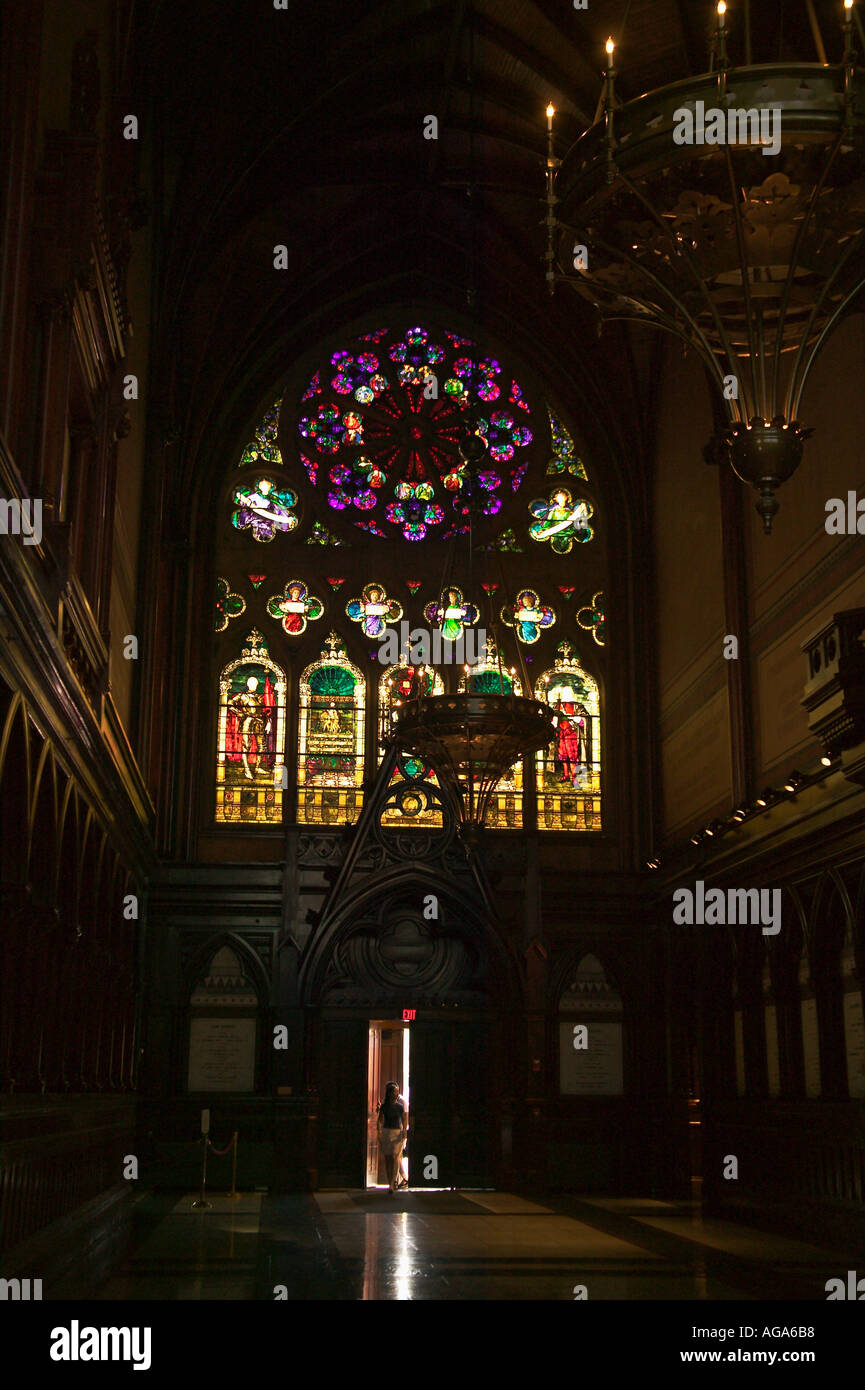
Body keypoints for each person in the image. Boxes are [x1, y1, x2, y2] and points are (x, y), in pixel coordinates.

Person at [376, 1081, 407, 1192]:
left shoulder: (400, 1106)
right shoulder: (384, 1106)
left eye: (397, 1091)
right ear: (390, 1093)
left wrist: (404, 1131)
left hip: (396, 1133)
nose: (397, 1093)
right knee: (388, 1158)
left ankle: (393, 1181)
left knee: (394, 1158)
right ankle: (390, 1183)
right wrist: (378, 1132)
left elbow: (404, 1119)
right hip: (387, 1132)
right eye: (395, 1091)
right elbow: (380, 1119)